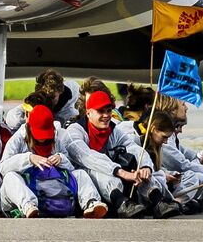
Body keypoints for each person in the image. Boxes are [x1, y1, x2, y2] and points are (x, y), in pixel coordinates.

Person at [0, 105, 105, 218]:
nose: (43, 138)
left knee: (80, 174)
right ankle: (28, 206)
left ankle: (91, 202)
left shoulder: (56, 139)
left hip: (53, 189)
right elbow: (3, 167)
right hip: (29, 188)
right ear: (29, 128)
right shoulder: (18, 139)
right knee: (10, 177)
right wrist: (29, 159)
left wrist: (61, 158)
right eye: (39, 133)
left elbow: (71, 167)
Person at [64, 89, 149, 218]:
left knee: (145, 171)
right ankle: (122, 203)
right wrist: (120, 171)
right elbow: (88, 157)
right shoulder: (74, 131)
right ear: (88, 113)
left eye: (109, 111)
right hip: (81, 185)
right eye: (101, 111)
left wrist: (145, 167)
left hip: (112, 182)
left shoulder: (114, 130)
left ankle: (158, 200)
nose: (106, 115)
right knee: (96, 171)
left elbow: (134, 147)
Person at [4, 70, 80, 131]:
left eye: (52, 97)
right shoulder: (32, 105)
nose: (48, 101)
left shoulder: (71, 115)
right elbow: (12, 121)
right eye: (45, 96)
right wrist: (28, 122)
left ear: (60, 92)